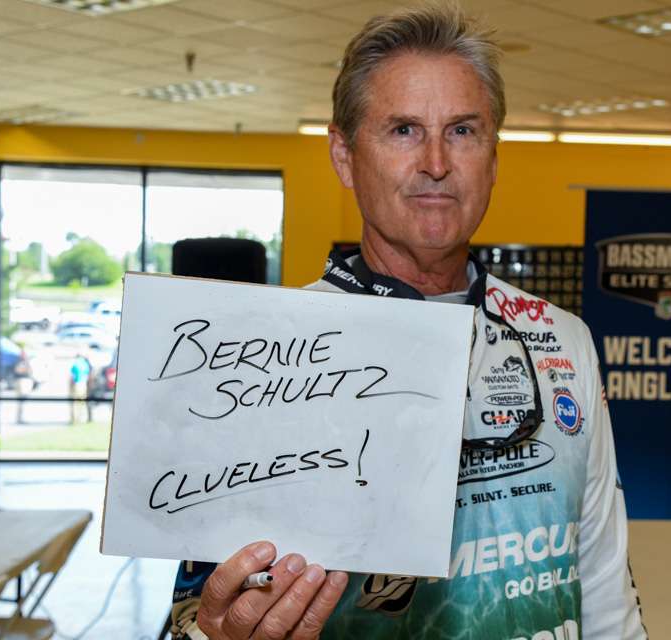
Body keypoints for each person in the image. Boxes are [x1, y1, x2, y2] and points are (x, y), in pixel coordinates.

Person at [170, 4, 647, 639]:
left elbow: (606, 589)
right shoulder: (265, 357)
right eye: (403, 130)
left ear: (493, 157)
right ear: (344, 155)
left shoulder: (561, 340)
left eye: (463, 130)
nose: (436, 162)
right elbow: (196, 616)